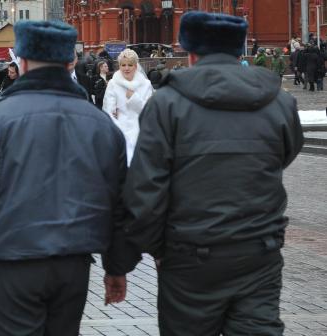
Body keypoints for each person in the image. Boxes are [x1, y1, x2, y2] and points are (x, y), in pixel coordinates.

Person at [104, 11, 303, 336]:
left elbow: (145, 192)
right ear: (239, 50)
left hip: (190, 259)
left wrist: (123, 261)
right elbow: (287, 152)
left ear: (190, 51)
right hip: (258, 255)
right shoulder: (278, 103)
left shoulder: (167, 105)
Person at [0, 20, 127, 336]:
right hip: (73, 265)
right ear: (71, 62)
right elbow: (118, 204)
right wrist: (117, 266)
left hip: (14, 264)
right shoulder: (100, 125)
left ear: (20, 60)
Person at [102, 48, 153, 165]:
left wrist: (133, 98)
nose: (126, 68)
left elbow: (148, 110)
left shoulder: (146, 85)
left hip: (141, 131)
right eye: (123, 65)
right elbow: (108, 112)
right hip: (120, 131)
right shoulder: (113, 84)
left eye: (130, 65)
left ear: (135, 66)